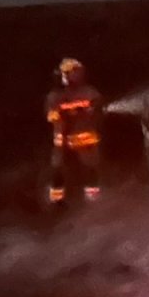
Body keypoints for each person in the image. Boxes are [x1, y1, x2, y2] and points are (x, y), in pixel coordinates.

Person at [46, 58, 103, 205]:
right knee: (58, 171)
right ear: (63, 76)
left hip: (85, 139)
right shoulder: (54, 96)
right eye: (73, 73)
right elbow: (51, 116)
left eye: (78, 72)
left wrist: (91, 110)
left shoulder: (89, 91)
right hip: (62, 142)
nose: (77, 76)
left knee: (90, 169)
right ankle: (57, 202)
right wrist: (64, 114)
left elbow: (98, 109)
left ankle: (93, 201)